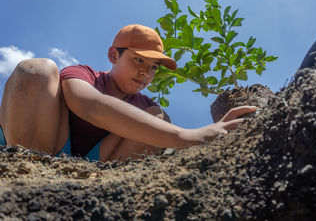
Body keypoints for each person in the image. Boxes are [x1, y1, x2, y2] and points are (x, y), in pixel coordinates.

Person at [0, 24, 256, 162]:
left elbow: (167, 143)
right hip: (45, 148)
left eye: (153, 68)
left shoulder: (146, 103)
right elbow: (90, 106)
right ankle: (27, 163)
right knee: (37, 69)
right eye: (138, 61)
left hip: (95, 164)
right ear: (114, 55)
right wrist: (188, 135)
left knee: (159, 117)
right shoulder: (85, 74)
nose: (146, 73)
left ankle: (94, 182)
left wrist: (219, 132)